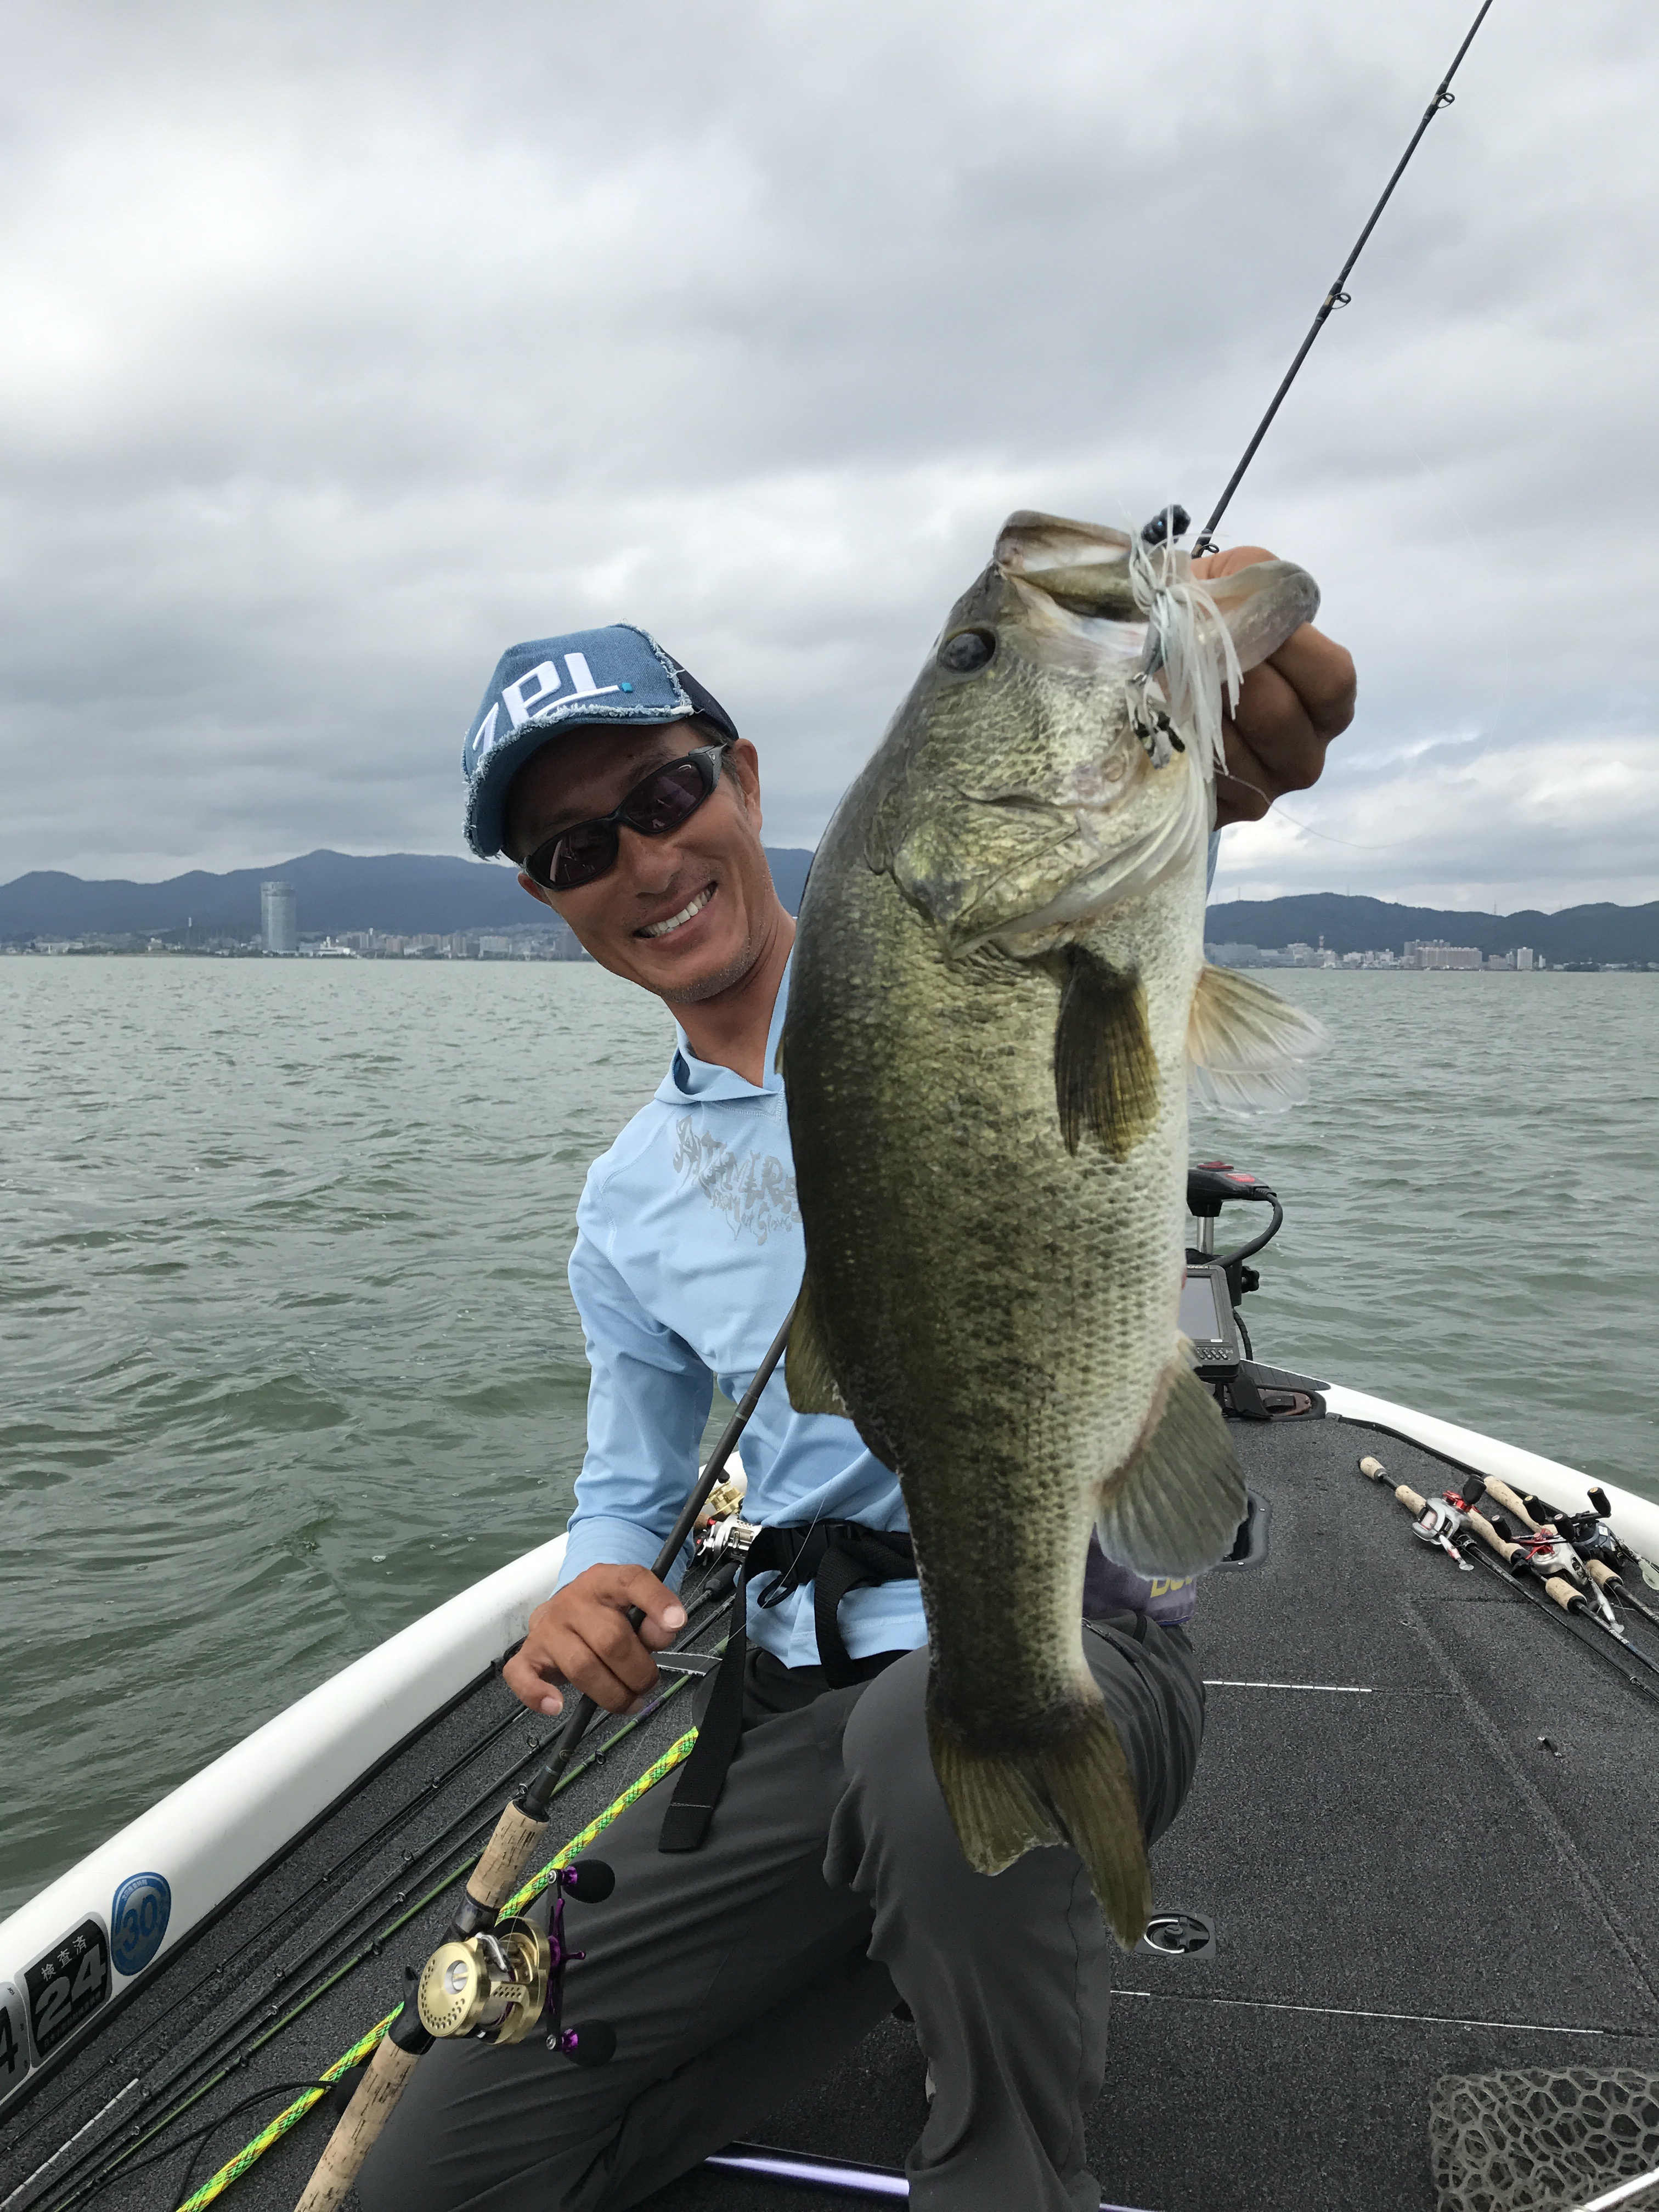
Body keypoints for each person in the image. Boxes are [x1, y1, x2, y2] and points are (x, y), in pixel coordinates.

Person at [360, 549, 1356, 2212]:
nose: (645, 860)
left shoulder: (972, 927)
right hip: (787, 1720)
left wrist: (1220, 696)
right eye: (578, 848)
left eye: (666, 793)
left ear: (744, 781)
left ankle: (1006, 2161)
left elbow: (1206, 728)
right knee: (437, 2179)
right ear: (547, 897)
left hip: (1076, 1641)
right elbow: (633, 1483)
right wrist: (589, 1581)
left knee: (931, 1737)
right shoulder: (628, 1199)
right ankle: (883, 1935)